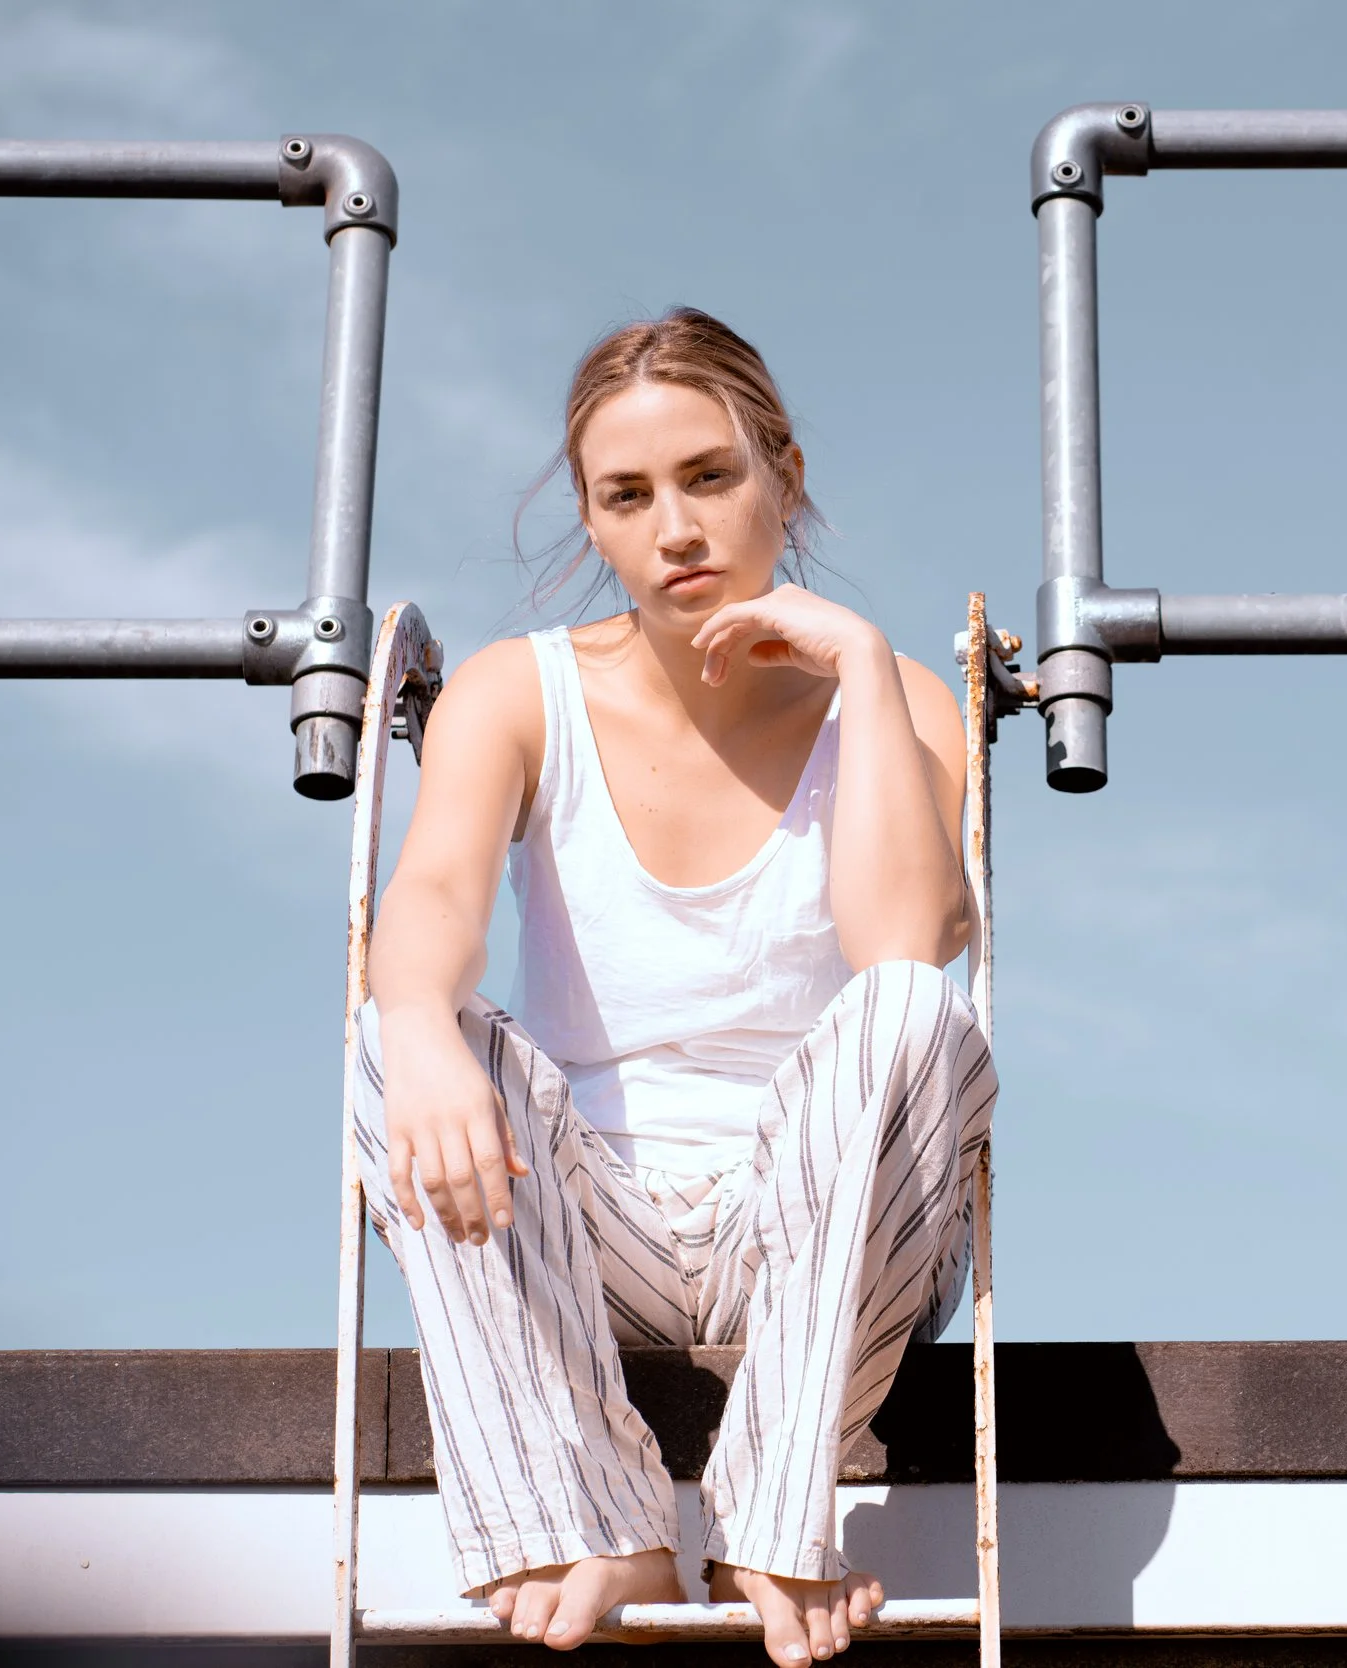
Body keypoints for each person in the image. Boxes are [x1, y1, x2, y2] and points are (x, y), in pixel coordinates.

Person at [351, 308, 995, 1662]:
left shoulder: (899, 703)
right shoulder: (516, 693)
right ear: (591, 520)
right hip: (593, 1227)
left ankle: (777, 1513)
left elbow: (905, 947)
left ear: (786, 474)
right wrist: (412, 1025)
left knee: (907, 1009)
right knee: (393, 1030)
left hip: (825, 1239)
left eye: (710, 477)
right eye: (627, 496)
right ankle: (588, 1517)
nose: (675, 528)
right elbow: (433, 902)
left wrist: (864, 670)